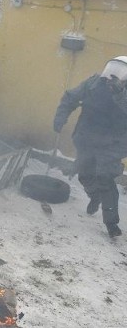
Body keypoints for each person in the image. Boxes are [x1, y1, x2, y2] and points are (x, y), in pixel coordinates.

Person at [53, 56, 127, 238]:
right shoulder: (93, 83)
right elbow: (70, 97)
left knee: (105, 178)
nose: (113, 76)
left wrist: (119, 94)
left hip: (113, 143)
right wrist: (60, 117)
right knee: (84, 174)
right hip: (88, 137)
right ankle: (95, 196)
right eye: (112, 70)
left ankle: (111, 224)